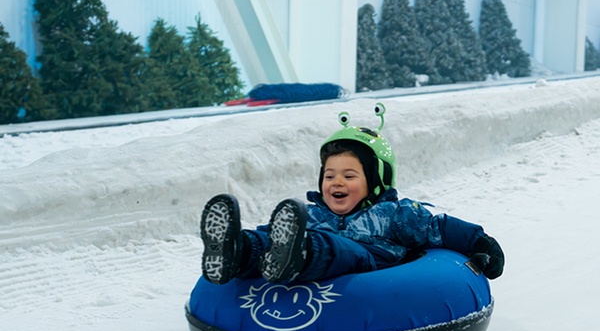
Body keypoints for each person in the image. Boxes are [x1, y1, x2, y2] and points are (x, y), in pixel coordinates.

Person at [200, 104, 504, 286]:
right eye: (329, 176)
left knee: (341, 249)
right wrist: (259, 241)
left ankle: (299, 254)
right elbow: (275, 234)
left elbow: (438, 227)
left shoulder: (395, 214)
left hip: (368, 264)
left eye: (349, 176)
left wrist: (479, 242)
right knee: (267, 241)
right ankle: (237, 251)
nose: (337, 183)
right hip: (302, 251)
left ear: (376, 182)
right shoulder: (312, 214)